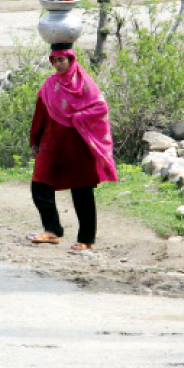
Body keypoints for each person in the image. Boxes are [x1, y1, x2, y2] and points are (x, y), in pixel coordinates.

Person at [28, 45, 117, 251]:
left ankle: (86, 239)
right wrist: (35, 142)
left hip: (78, 146)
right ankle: (52, 230)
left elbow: (100, 108)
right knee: (39, 186)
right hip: (52, 144)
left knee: (82, 191)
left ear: (71, 59)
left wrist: (78, 117)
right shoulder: (49, 85)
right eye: (55, 60)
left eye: (62, 60)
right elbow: (39, 115)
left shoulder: (84, 83)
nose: (58, 64)